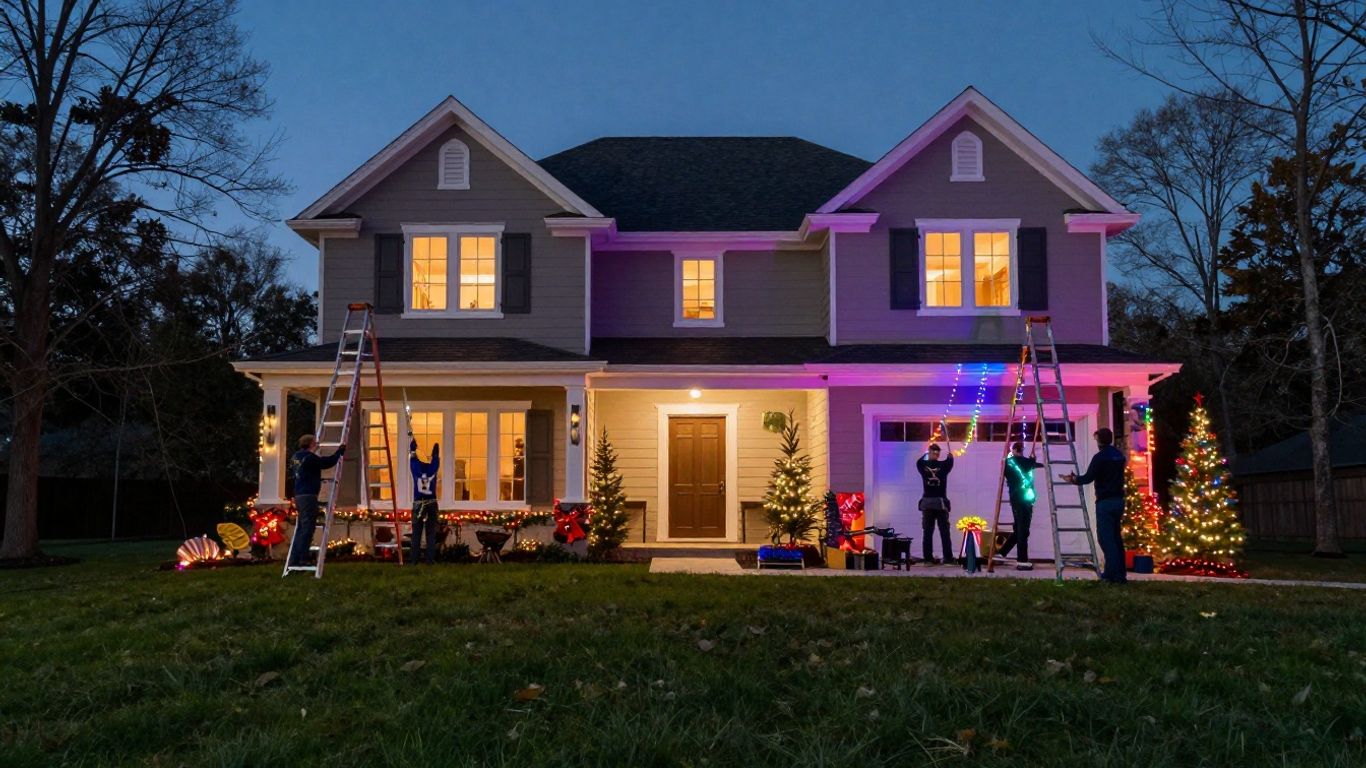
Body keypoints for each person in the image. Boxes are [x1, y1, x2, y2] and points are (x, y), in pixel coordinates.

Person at [1061, 427, 1127, 584]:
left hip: (1105, 502)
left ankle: (1112, 576)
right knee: (1116, 538)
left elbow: (1088, 478)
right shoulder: (1119, 456)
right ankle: (1121, 574)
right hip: (1119, 500)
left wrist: (1072, 479)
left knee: (1106, 539)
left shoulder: (1100, 457)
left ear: (1099, 440)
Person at [287, 434, 345, 568]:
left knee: (301, 528)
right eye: (315, 442)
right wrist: (339, 452)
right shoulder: (310, 457)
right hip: (308, 496)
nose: (318, 443)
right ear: (311, 443)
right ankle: (302, 559)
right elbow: (327, 463)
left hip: (299, 495)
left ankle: (294, 559)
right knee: (307, 528)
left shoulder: (295, 457)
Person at [999, 441, 1041, 570]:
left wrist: (1032, 460)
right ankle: (1022, 561)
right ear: (1021, 450)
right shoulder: (1024, 462)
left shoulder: (1007, 463)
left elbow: (1028, 465)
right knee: (1023, 531)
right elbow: (1033, 464)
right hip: (1024, 501)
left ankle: (1002, 553)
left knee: (1019, 529)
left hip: (1016, 500)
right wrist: (1033, 460)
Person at [916, 439, 955, 565]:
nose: (936, 455)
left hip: (928, 503)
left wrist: (927, 453)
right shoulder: (944, 466)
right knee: (943, 531)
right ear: (937, 454)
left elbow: (919, 461)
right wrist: (950, 456)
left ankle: (928, 559)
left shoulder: (923, 465)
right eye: (936, 453)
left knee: (928, 532)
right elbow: (950, 461)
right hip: (940, 503)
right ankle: (947, 558)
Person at [409, 435, 441, 565]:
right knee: (430, 533)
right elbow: (435, 460)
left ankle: (414, 560)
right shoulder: (432, 468)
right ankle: (430, 559)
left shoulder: (415, 468)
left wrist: (413, 448)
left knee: (416, 533)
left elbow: (412, 458)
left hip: (418, 504)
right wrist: (435, 452)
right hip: (431, 503)